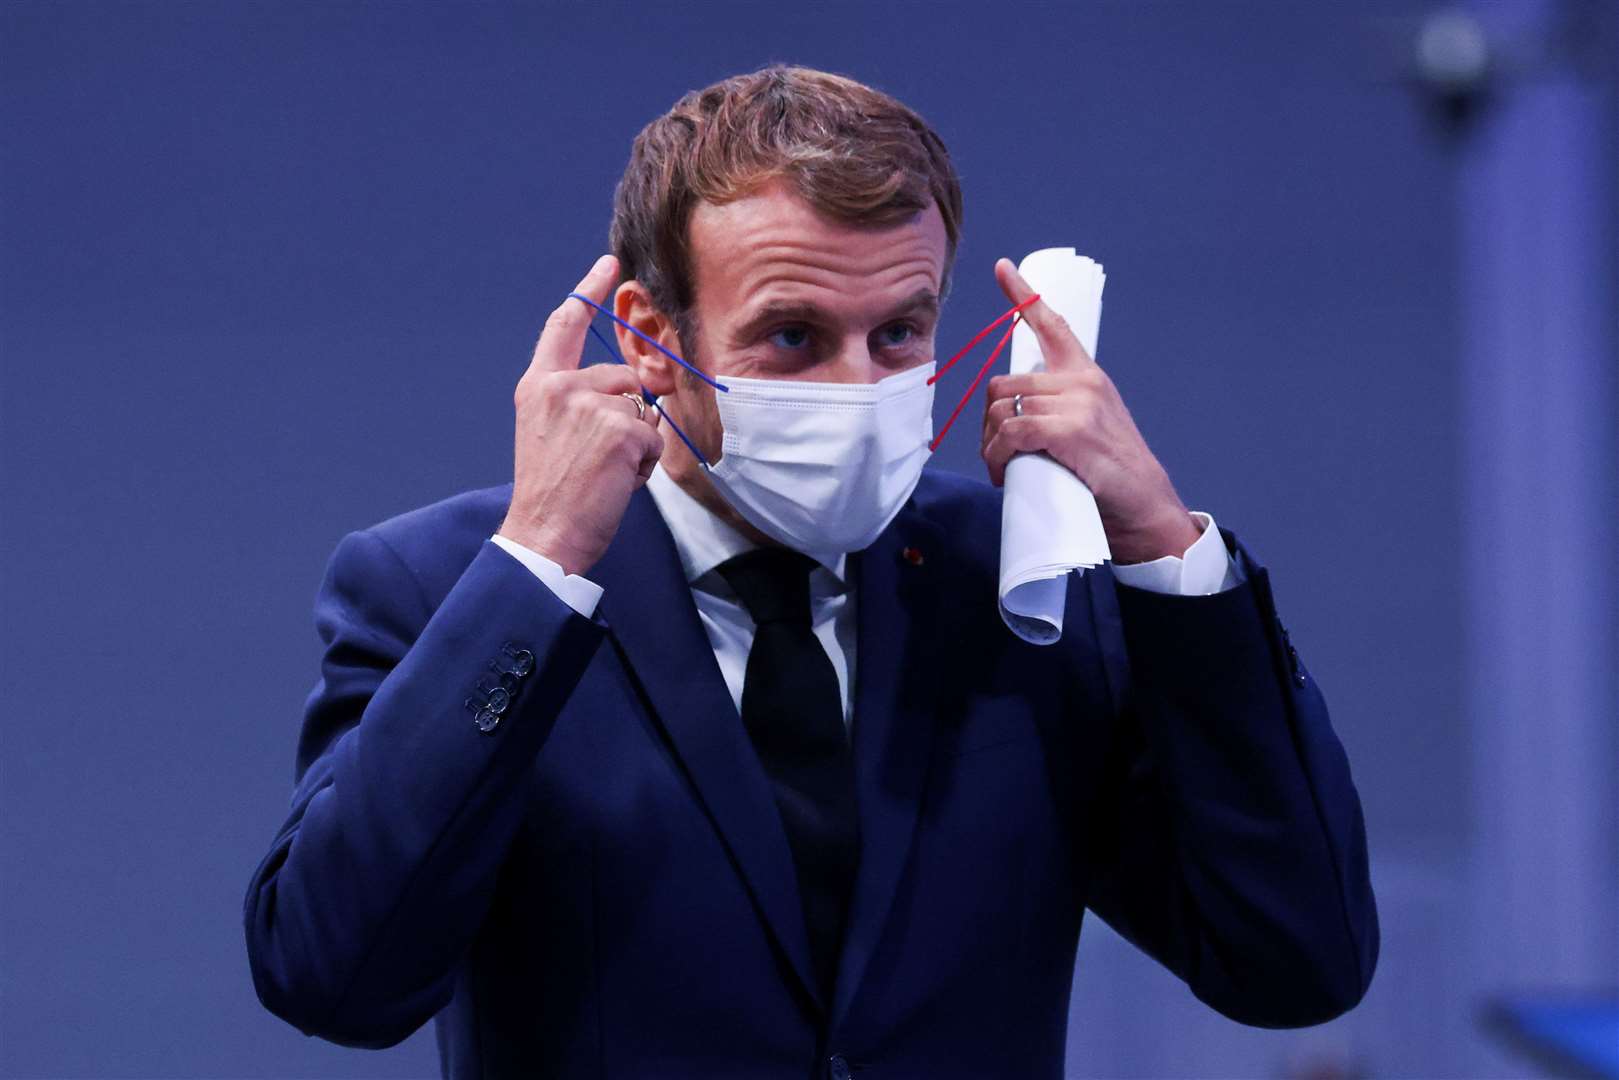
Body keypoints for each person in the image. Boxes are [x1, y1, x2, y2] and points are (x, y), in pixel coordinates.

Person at [243, 64, 1377, 1079]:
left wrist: (1166, 554)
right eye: (791, 336)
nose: (855, 387)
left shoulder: (1020, 588)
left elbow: (1294, 962)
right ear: (646, 336)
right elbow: (334, 979)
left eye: (898, 334)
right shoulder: (448, 588)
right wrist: (538, 563)